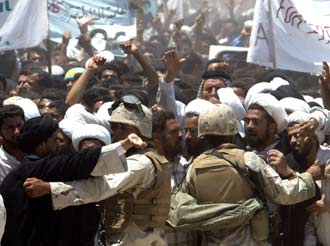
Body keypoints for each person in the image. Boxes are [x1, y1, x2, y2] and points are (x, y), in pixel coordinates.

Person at [25, 96, 172, 245]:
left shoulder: (139, 163)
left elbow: (100, 188)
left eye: (124, 127)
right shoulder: (136, 158)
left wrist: (50, 189)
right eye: (114, 127)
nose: (117, 132)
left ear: (142, 130)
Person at [0, 114, 145, 246]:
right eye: (55, 140)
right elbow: (79, 161)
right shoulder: (42, 167)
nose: (58, 145)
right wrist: (124, 144)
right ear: (42, 144)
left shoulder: (11, 179)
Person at [186, 104, 317, 245]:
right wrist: (308, 176)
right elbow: (284, 194)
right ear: (233, 131)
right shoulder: (248, 160)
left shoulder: (194, 167)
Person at [0, 105, 25, 184]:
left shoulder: (38, 151)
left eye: (19, 125)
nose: (16, 132)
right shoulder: (1, 162)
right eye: (10, 128)